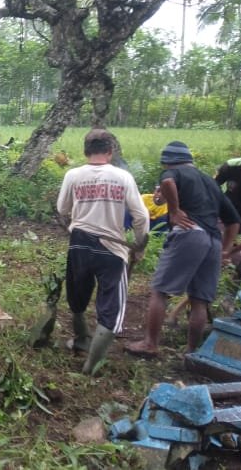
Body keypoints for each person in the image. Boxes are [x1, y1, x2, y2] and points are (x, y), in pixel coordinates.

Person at [126, 141, 241, 357]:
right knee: (199, 300)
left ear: (167, 162)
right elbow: (234, 221)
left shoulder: (173, 172)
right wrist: (225, 250)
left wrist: (174, 211)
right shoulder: (210, 182)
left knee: (160, 291)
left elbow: (167, 181)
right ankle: (191, 352)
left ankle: (150, 344)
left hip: (190, 234)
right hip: (213, 241)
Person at [55, 129, 149, 376]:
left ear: (86, 151)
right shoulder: (123, 177)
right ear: (110, 151)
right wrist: (139, 246)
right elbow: (141, 216)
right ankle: (90, 366)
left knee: (77, 294)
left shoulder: (73, 175)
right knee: (111, 307)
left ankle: (81, 339)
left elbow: (62, 208)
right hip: (112, 248)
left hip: (79, 243)